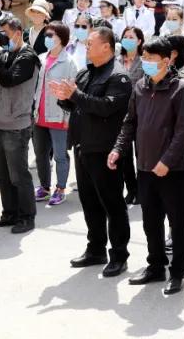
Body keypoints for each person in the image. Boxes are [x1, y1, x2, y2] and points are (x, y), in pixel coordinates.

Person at [109, 37, 184, 295]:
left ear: (167, 61)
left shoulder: (181, 89)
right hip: (145, 167)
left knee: (177, 224)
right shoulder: (140, 87)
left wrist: (166, 161)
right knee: (150, 221)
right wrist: (118, 148)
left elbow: (182, 132)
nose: (145, 63)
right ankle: (155, 265)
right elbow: (129, 122)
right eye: (143, 58)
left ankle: (177, 272)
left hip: (173, 170)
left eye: (151, 59)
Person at [55, 26, 133, 277]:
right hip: (83, 146)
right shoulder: (84, 73)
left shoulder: (118, 77)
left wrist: (75, 95)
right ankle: (95, 248)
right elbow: (76, 104)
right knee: (89, 202)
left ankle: (119, 254)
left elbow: (105, 108)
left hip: (105, 150)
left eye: (90, 43)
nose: (86, 47)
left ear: (107, 47)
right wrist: (64, 97)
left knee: (112, 203)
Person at [0, 17, 41, 234]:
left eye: (5, 33)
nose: (2, 37)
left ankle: (27, 216)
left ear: (18, 31)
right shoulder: (5, 53)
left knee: (18, 174)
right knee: (3, 175)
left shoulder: (28, 57)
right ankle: (9, 213)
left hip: (17, 123)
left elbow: (7, 79)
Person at [33, 21, 80, 206]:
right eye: (46, 34)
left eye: (51, 35)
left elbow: (72, 93)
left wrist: (68, 117)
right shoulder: (42, 58)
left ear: (62, 38)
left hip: (59, 116)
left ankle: (60, 188)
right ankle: (45, 187)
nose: (48, 38)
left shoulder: (69, 63)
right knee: (40, 154)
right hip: (40, 115)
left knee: (60, 155)